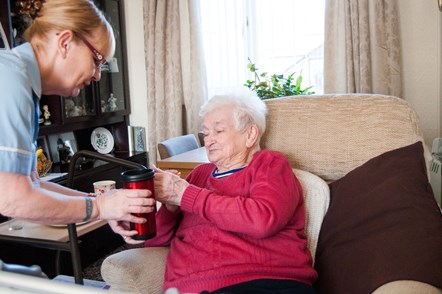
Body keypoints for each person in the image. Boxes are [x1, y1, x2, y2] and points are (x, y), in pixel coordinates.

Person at [115, 90, 317, 293]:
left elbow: (262, 220)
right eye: (206, 133)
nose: (208, 140)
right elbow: (154, 242)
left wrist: (184, 194)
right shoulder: (199, 174)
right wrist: (170, 205)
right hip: (191, 287)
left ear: (250, 134)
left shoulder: (269, 164)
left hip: (263, 282)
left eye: (218, 131)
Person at [0, 0, 153, 226]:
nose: (98, 76)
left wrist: (103, 205)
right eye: (97, 60)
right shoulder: (11, 80)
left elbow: (34, 185)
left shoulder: (22, 83)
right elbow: (14, 200)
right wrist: (100, 207)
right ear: (65, 42)